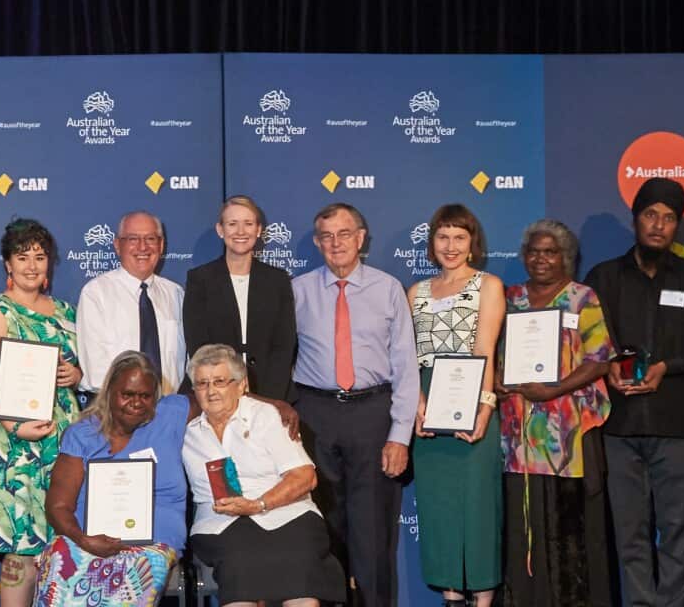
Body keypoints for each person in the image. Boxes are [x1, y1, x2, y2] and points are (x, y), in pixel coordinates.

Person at [583, 177, 684, 607]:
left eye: (668, 218)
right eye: (651, 215)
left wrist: (668, 367)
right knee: (629, 532)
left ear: (677, 226)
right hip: (620, 426)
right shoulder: (604, 276)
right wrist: (605, 365)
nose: (659, 225)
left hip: (676, 425)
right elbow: (588, 342)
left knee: (677, 528)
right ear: (636, 220)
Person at [291, 202, 418, 607]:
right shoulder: (297, 291)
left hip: (372, 416)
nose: (335, 243)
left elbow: (405, 364)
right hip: (315, 417)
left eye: (344, 234)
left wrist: (399, 435)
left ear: (361, 238)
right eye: (326, 236)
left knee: (373, 534)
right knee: (321, 530)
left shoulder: (388, 289)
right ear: (316, 242)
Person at [0, 219, 81, 606]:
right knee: (22, 548)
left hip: (61, 438)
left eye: (40, 257)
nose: (32, 265)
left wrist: (76, 374)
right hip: (15, 441)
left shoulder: (66, 311)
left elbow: (83, 369)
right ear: (7, 263)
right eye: (22, 256)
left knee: (58, 546)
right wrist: (17, 426)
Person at [496, 220, 614, 607]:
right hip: (518, 438)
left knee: (568, 532)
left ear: (565, 257)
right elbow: (495, 358)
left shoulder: (583, 298)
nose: (541, 259)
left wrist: (554, 390)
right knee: (521, 527)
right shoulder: (510, 298)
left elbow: (598, 360)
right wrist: (497, 379)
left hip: (567, 437)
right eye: (533, 251)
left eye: (550, 252)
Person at [181, 344, 344, 606]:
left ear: (242, 385)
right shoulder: (187, 432)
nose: (211, 391)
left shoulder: (266, 417)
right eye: (202, 384)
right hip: (221, 522)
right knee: (239, 559)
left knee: (299, 560)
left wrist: (258, 504)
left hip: (287, 513)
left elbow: (304, 477)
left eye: (220, 381)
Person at [35, 351, 191, 606]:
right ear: (109, 393)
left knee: (138, 569)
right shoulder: (82, 434)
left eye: (145, 396)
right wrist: (84, 540)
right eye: (127, 394)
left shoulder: (169, 414)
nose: (136, 403)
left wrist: (279, 405)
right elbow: (57, 506)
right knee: (61, 555)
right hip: (84, 539)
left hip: (153, 545)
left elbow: (220, 393)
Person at [411, 204, 506, 607]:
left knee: (478, 505)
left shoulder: (488, 285)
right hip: (429, 401)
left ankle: (482, 599)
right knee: (439, 506)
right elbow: (408, 355)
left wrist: (484, 407)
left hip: (473, 394)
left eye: (459, 237)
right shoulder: (414, 292)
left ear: (473, 243)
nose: (450, 246)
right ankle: (451, 595)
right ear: (432, 243)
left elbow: (484, 348)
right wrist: (416, 404)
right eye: (443, 237)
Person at [183, 196, 297, 400]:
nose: (241, 232)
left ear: (259, 230)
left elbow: (284, 345)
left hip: (272, 395)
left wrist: (267, 401)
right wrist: (226, 392)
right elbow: (199, 346)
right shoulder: (200, 280)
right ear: (220, 230)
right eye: (232, 224)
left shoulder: (277, 280)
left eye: (248, 224)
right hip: (216, 395)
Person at [77, 211, 186, 395]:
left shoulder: (176, 294)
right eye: (133, 239)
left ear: (161, 246)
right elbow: (94, 370)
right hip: (118, 410)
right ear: (118, 245)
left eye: (150, 238)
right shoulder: (96, 293)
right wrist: (137, 400)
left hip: (169, 412)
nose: (142, 247)